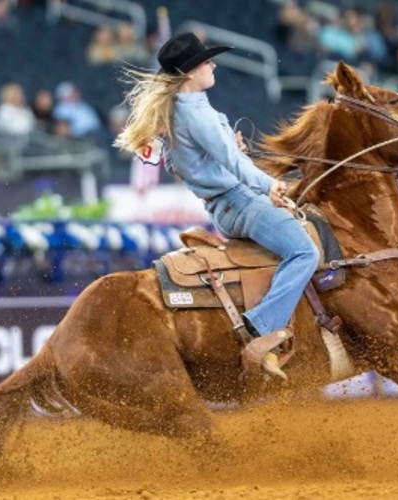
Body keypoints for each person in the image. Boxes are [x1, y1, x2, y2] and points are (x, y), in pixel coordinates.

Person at [114, 32, 319, 380]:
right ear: (191, 71)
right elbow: (235, 166)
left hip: (225, 206)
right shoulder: (195, 113)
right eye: (207, 61)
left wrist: (230, 148)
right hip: (240, 202)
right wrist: (271, 186)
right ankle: (261, 331)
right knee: (305, 253)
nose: (213, 65)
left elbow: (187, 162)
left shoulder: (180, 110)